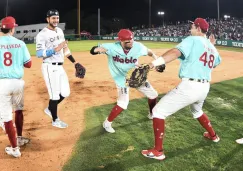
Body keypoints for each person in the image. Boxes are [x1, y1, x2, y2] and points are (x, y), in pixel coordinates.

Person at [141, 18, 222, 160]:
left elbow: (175, 52)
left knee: (158, 112)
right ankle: (213, 136)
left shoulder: (193, 39)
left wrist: (155, 63)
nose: (190, 27)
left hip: (190, 86)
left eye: (192, 25)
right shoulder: (211, 46)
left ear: (197, 28)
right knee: (197, 111)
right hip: (204, 87)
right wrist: (210, 45)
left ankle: (158, 151)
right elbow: (214, 64)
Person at [90, 29, 163, 133]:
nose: (130, 42)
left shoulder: (138, 46)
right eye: (127, 41)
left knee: (153, 94)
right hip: (121, 79)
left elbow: (150, 52)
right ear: (121, 41)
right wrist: (97, 50)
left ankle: (152, 114)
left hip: (136, 76)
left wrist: (157, 61)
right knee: (123, 103)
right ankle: (107, 123)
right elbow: (92, 51)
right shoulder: (111, 48)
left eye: (131, 40)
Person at [36, 9, 83, 128]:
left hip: (60, 67)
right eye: (53, 18)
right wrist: (55, 49)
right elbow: (39, 53)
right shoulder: (42, 34)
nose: (56, 20)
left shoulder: (60, 31)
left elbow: (65, 48)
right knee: (54, 95)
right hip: (49, 67)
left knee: (66, 92)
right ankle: (55, 120)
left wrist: (74, 62)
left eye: (57, 18)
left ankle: (49, 109)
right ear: (48, 19)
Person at [0, 16, 32, 157]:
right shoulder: (20, 43)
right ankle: (19, 138)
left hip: (3, 83)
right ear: (12, 29)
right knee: (18, 110)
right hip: (18, 83)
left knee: (7, 118)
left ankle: (15, 149)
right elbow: (29, 64)